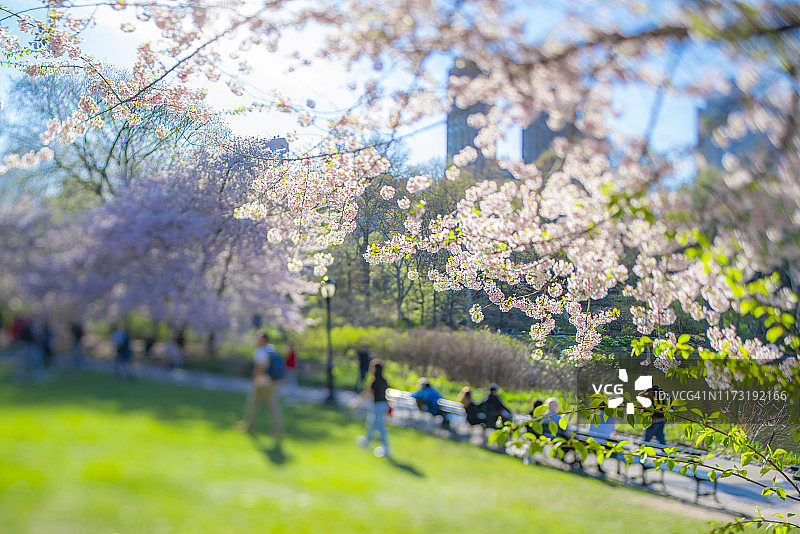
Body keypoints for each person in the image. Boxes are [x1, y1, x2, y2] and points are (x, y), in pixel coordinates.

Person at [239, 330, 283, 437]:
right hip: (272, 381)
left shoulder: (260, 351)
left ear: (263, 339)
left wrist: (255, 379)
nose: (256, 340)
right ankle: (277, 429)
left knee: (253, 403)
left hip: (262, 381)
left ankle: (249, 426)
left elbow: (260, 367)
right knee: (272, 405)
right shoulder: (271, 349)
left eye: (258, 337)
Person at [350, 359, 391, 458]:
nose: (370, 369)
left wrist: (356, 403)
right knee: (371, 424)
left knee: (380, 427)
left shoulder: (375, 381)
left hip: (378, 406)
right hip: (382, 405)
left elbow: (366, 394)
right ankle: (367, 441)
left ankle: (386, 449)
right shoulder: (384, 380)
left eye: (372, 367)